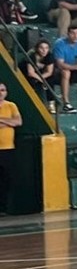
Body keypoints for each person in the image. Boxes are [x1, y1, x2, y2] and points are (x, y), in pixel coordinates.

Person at [0, 82, 21, 214]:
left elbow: (18, 122)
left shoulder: (11, 106)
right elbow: (12, 122)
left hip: (8, 149)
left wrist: (1, 120)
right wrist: (8, 121)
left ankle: (4, 208)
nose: (0, 92)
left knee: (6, 179)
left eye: (3, 90)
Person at [20, 38, 58, 106]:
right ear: (37, 48)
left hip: (39, 74)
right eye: (41, 48)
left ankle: (51, 103)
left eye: (46, 48)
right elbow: (30, 72)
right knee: (34, 81)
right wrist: (40, 79)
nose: (44, 50)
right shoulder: (31, 55)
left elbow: (49, 72)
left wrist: (41, 79)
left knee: (51, 79)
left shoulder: (49, 56)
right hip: (25, 73)